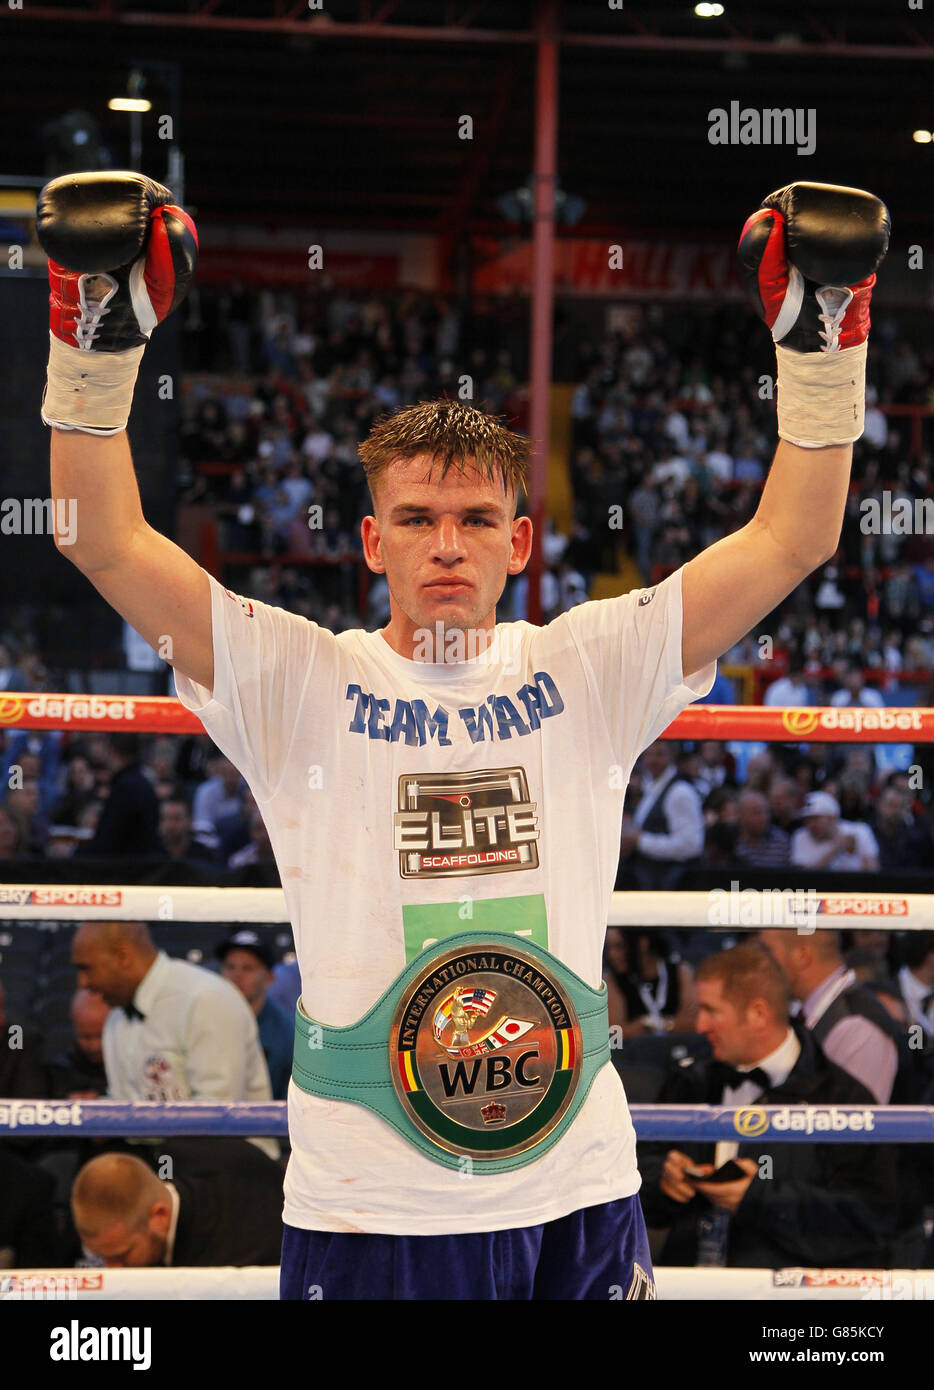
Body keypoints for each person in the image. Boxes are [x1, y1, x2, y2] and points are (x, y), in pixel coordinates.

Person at [40, 170, 888, 1300]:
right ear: (370, 542)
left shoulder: (588, 662)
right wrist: (90, 340)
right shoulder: (297, 675)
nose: (448, 543)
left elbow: (793, 536)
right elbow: (98, 537)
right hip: (375, 1199)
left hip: (579, 1180)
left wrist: (824, 350)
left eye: (477, 519)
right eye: (418, 519)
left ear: (521, 540)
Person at [637, 944, 896, 1268]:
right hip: (687, 1284)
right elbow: (632, 1171)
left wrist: (758, 1198)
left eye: (711, 1010)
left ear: (758, 1014)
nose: (700, 1025)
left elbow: (870, 1222)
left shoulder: (842, 1099)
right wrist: (663, 1179)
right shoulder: (690, 1081)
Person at [70, 920, 277, 1160]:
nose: (83, 983)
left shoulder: (205, 998)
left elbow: (218, 1114)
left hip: (229, 1164)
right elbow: (135, 1102)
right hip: (158, 1156)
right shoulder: (117, 1016)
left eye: (87, 968)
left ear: (122, 956)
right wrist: (97, 1111)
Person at [71, 1144, 283, 1268]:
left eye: (122, 1255)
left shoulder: (237, 1253)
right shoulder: (168, 1153)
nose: (112, 1270)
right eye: (102, 1257)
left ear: (160, 1217)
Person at [758, 927, 899, 1103]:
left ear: (802, 956)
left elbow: (852, 1123)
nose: (760, 964)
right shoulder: (803, 1013)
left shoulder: (856, 1028)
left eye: (767, 951)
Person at [216, 929, 293, 1099]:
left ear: (269, 978)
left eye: (247, 968)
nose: (236, 975)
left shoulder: (288, 1032)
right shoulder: (205, 1020)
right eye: (230, 966)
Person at [619, 740, 705, 890]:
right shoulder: (653, 787)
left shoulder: (680, 792)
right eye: (649, 754)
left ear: (672, 755)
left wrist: (639, 841)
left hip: (672, 888)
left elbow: (690, 846)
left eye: (659, 754)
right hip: (650, 884)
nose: (653, 760)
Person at [789, 790, 879, 872]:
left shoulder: (859, 831)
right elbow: (802, 877)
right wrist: (835, 849)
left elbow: (873, 870)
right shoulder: (800, 837)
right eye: (808, 820)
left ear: (832, 818)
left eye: (815, 819)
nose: (811, 825)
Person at [47, 986, 110, 1099]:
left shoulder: (129, 1065)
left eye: (101, 1036)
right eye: (86, 1037)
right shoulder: (60, 1070)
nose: (95, 1046)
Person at [731, 789, 790, 869]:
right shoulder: (729, 841)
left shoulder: (781, 841)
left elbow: (787, 879)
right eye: (756, 812)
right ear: (740, 815)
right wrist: (737, 882)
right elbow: (730, 879)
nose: (763, 818)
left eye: (766, 812)